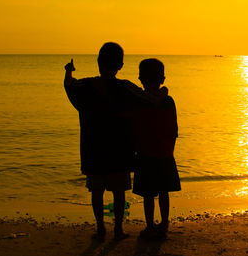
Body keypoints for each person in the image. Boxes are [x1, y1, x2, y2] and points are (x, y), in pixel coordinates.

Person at [63, 43, 167, 242]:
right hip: (119, 151)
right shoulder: (125, 88)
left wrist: (68, 70)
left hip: (92, 150)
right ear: (120, 65)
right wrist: (165, 91)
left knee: (97, 191)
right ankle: (118, 229)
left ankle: (101, 227)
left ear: (99, 62)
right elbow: (151, 100)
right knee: (119, 192)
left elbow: (68, 84)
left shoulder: (84, 87)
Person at [132, 58, 181, 240]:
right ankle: (164, 223)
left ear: (141, 79)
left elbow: (134, 128)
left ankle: (150, 225)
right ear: (162, 78)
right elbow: (174, 129)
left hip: (145, 154)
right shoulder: (169, 101)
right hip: (165, 154)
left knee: (147, 194)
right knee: (163, 192)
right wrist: (170, 149)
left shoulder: (139, 101)